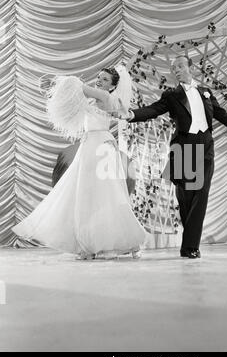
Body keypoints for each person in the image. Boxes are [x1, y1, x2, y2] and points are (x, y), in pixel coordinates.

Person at [122, 55, 227, 259]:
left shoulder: (206, 92)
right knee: (186, 198)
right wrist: (132, 115)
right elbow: (154, 109)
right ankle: (188, 246)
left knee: (201, 194)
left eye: (180, 66)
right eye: (174, 68)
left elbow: (223, 115)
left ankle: (191, 246)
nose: (177, 70)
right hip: (183, 148)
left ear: (190, 67)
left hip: (205, 146)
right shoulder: (172, 94)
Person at [12, 65, 147, 260]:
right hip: (89, 145)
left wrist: (56, 83)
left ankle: (117, 242)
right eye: (99, 77)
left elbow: (78, 86)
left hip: (101, 147)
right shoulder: (96, 98)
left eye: (105, 79)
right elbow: (73, 97)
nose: (100, 80)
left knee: (106, 195)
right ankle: (88, 245)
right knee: (87, 195)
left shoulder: (106, 97)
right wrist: (56, 90)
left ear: (112, 86)